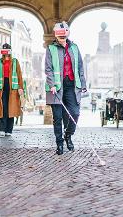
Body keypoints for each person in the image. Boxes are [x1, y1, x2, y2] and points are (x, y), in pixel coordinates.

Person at [45, 21, 87, 155]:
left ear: (67, 34)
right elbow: (48, 68)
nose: (62, 38)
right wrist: (51, 84)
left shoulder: (74, 47)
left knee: (74, 113)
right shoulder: (51, 48)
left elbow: (80, 67)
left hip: (71, 86)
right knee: (58, 117)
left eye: (64, 36)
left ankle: (68, 135)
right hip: (56, 87)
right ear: (56, 36)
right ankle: (59, 143)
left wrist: (83, 84)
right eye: (60, 36)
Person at [0, 43, 24, 137]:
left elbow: (19, 75)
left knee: (12, 109)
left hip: (13, 89)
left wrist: (20, 87)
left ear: (10, 51)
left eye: (7, 49)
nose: (6, 51)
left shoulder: (15, 61)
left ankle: (9, 130)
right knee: (3, 108)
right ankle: (2, 129)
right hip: (1, 88)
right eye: (4, 49)